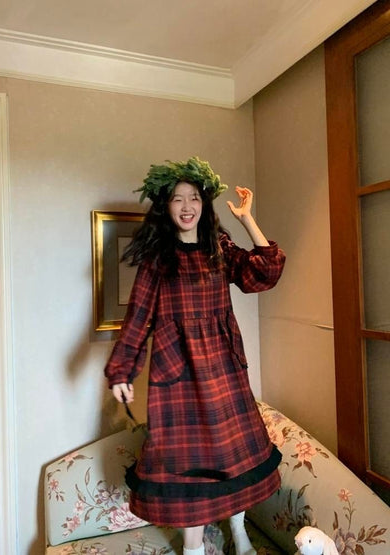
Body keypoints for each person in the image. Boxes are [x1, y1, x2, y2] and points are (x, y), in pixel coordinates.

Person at [104, 157, 286, 555]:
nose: (187, 206)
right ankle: (194, 548)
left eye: (194, 198)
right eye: (177, 199)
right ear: (165, 206)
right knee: (189, 472)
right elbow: (138, 317)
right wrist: (121, 372)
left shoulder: (219, 247)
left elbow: (265, 273)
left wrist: (247, 220)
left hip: (224, 370)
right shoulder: (158, 258)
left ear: (204, 204)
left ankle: (237, 530)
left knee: (234, 459)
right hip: (178, 378)